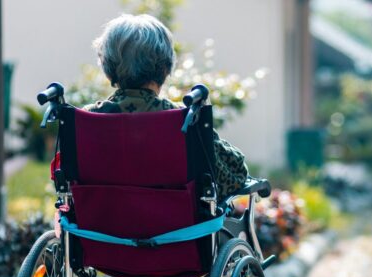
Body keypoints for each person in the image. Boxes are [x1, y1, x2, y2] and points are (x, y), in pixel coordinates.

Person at [86, 14, 249, 197]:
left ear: (108, 69)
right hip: (175, 224)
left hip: (102, 223)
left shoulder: (85, 121)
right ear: (165, 67)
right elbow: (236, 175)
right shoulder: (185, 119)